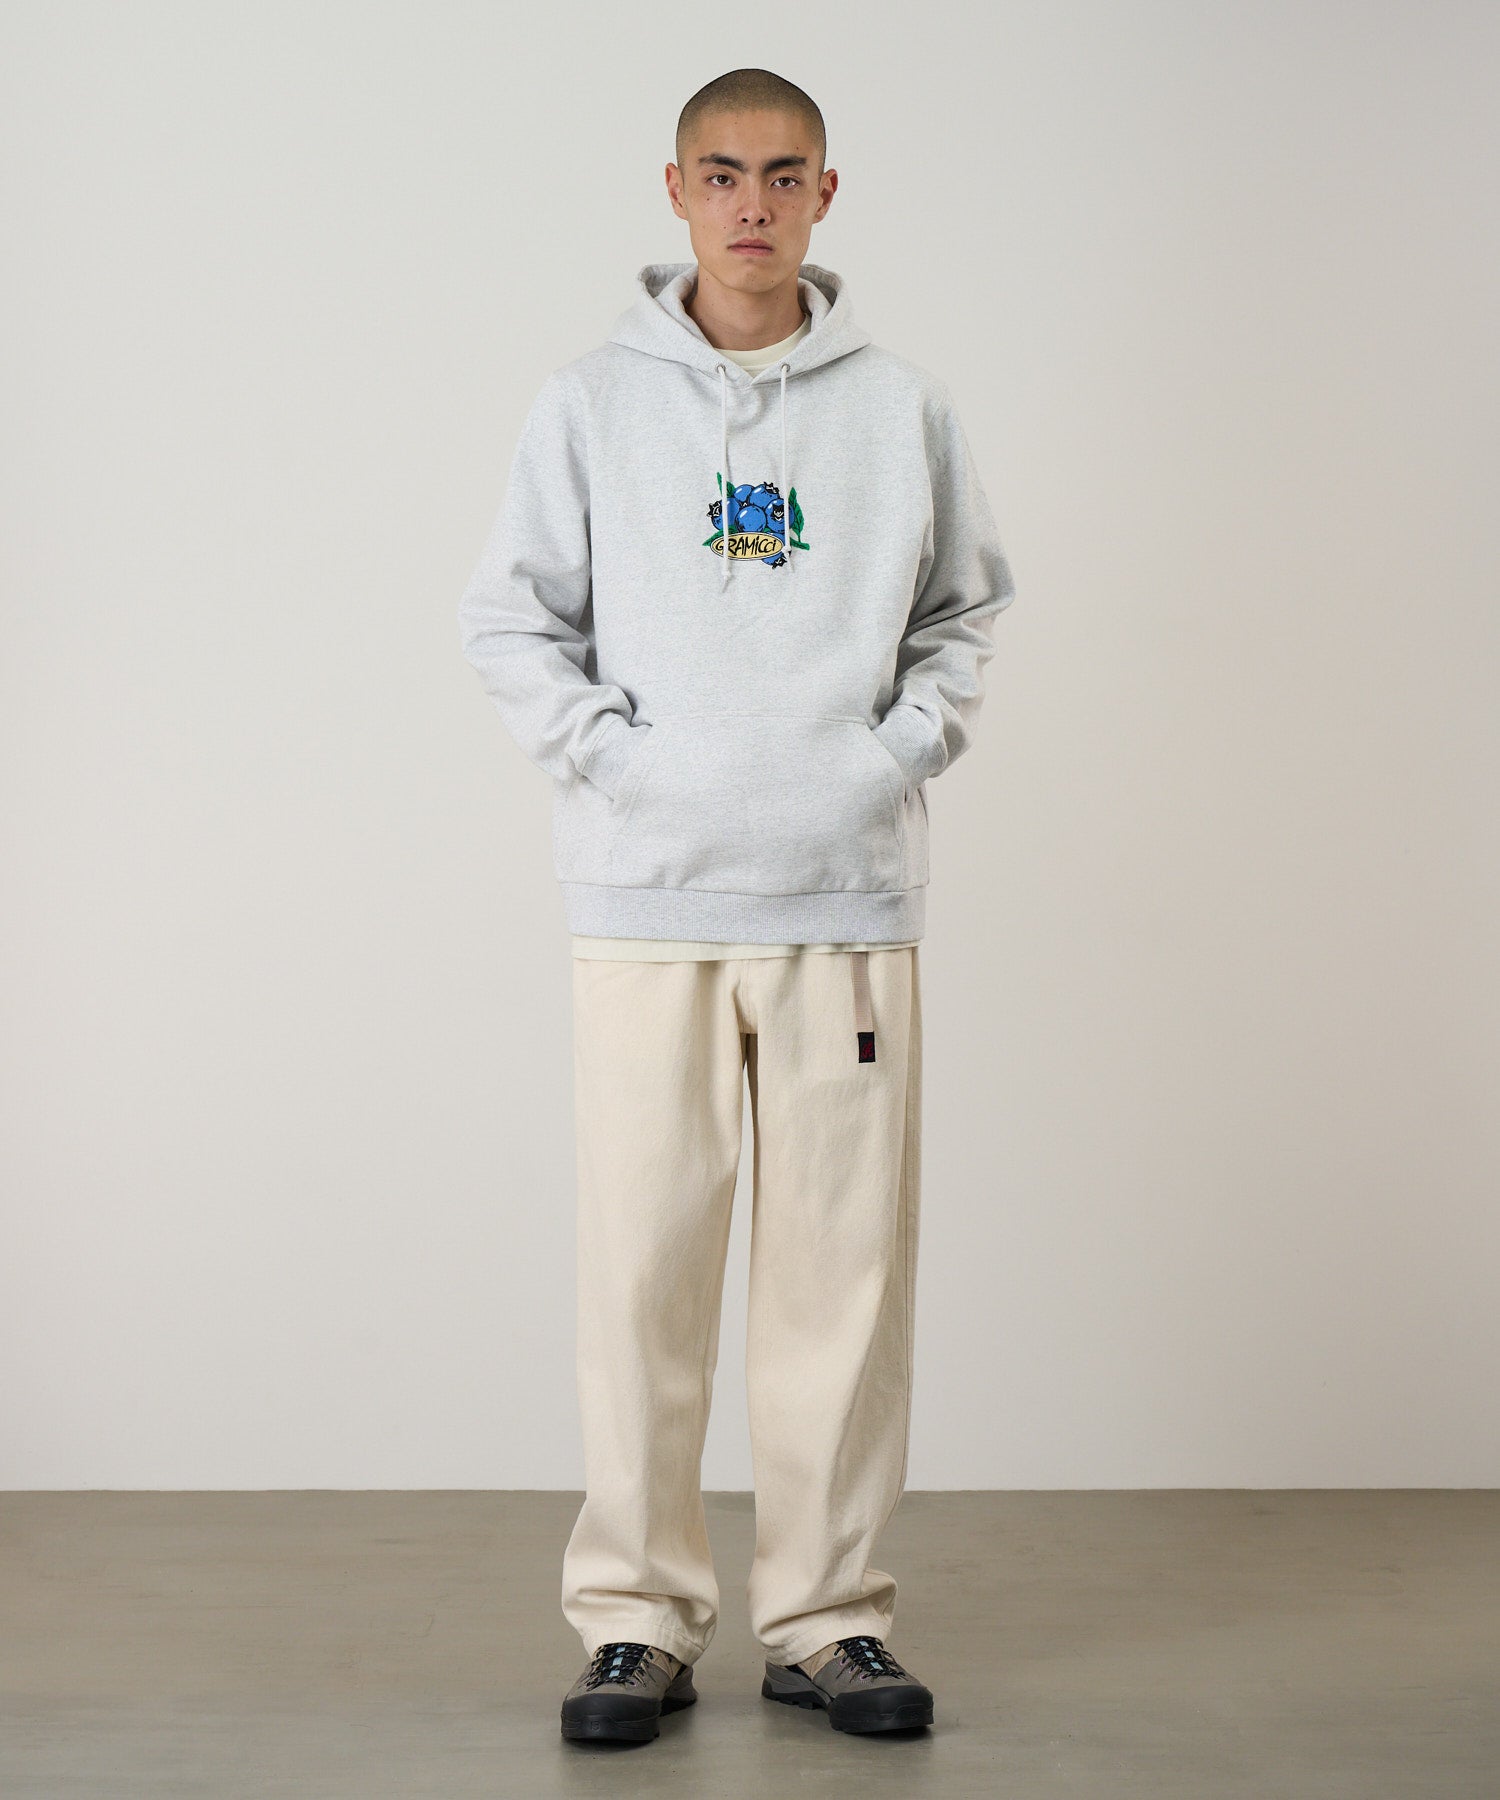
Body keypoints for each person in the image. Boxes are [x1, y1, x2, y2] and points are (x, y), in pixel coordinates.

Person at [458, 68, 1016, 1745]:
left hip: (845, 899)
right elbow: (511, 620)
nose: (752, 205)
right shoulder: (590, 403)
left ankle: (828, 1619)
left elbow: (964, 615)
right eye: (723, 174)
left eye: (782, 175)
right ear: (677, 190)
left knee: (839, 1287)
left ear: (826, 194)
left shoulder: (900, 407)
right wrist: (616, 765)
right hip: (647, 901)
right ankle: (635, 1619)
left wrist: (884, 756)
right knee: (642, 1277)